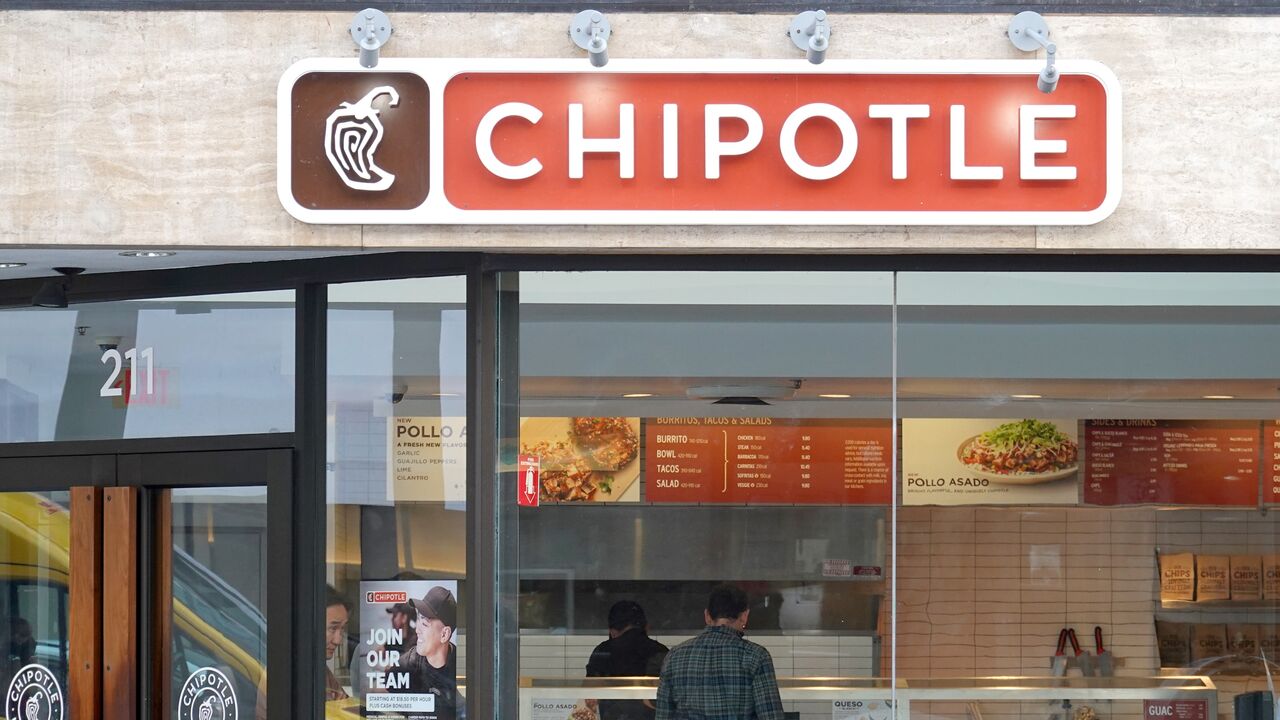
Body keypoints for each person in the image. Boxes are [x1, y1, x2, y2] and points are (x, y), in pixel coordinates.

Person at [655, 584, 784, 720]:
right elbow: (771, 716)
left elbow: (663, 715)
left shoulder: (675, 656)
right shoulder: (756, 656)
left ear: (707, 615)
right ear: (744, 616)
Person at [586, 601, 669, 720]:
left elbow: (589, 695)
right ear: (646, 627)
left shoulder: (603, 651)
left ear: (613, 632)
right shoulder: (661, 651)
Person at [398, 586, 460, 720]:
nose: (417, 630)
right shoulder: (407, 663)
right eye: (418, 619)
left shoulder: (461, 668)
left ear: (444, 634)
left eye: (425, 624)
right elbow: (374, 696)